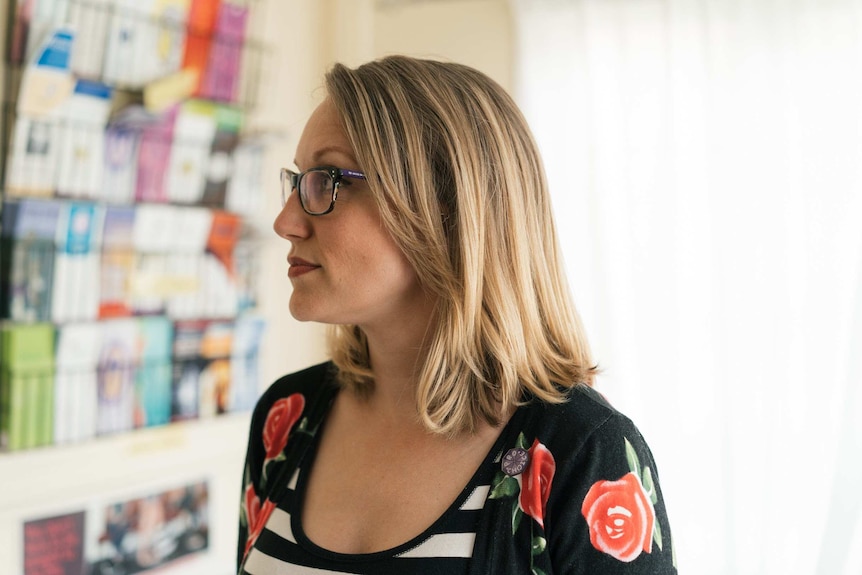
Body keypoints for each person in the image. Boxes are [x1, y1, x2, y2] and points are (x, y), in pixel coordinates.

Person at [237, 55, 677, 575]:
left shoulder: (585, 453)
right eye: (296, 183)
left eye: (325, 181)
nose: (286, 221)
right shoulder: (288, 416)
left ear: (443, 207)